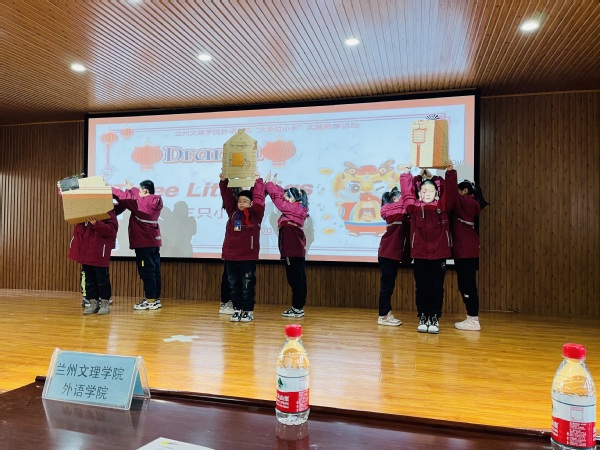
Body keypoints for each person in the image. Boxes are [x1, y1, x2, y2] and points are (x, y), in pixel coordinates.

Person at [400, 161, 457, 333]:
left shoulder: (442, 206)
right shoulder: (414, 207)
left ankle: (434, 318)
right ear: (419, 192)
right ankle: (423, 316)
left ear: (437, 193)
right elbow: (407, 194)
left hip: (439, 255)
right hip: (419, 254)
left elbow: (450, 192)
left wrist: (450, 172)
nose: (427, 193)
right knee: (422, 288)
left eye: (431, 191)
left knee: (437, 288)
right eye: (423, 190)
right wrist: (407, 174)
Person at [220, 172, 265, 323]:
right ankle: (237, 309)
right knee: (234, 286)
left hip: (247, 258)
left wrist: (258, 182)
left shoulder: (255, 215)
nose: (241, 204)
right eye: (239, 201)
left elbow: (259, 201)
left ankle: (248, 311)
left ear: (251, 203)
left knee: (247, 285)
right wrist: (224, 181)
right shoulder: (233, 212)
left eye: (245, 201)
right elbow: (227, 197)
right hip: (231, 257)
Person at [112, 179, 163, 310]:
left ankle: (150, 300)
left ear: (145, 191)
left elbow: (126, 198)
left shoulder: (142, 205)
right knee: (154, 270)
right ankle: (155, 299)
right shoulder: (153, 202)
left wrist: (108, 189)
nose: (137, 193)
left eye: (139, 191)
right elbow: (136, 198)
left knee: (147, 272)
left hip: (144, 243)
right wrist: (132, 189)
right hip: (153, 242)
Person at [264, 172, 310, 318]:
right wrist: (275, 186)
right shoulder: (297, 208)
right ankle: (298, 308)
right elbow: (281, 196)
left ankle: (297, 308)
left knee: (295, 280)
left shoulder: (293, 208)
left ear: (293, 199)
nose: (284, 198)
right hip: (295, 251)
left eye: (287, 196)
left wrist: (269, 185)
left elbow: (278, 200)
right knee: (298, 279)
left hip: (291, 251)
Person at [452, 180, 489, 331]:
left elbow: (451, 194)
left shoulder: (468, 202)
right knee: (466, 284)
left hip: (465, 250)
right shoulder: (471, 202)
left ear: (465, 191)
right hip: (466, 250)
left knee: (467, 285)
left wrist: (443, 175)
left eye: (459, 190)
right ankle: (472, 318)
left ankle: (473, 319)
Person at [68, 212, 118, 315]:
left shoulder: (108, 212)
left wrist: (97, 223)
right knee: (89, 280)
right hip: (86, 251)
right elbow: (79, 231)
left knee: (102, 279)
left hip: (100, 251)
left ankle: (104, 303)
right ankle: (93, 303)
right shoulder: (85, 212)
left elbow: (111, 230)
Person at [376, 186, 410, 326]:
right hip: (387, 253)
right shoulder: (391, 210)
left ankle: (387, 313)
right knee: (387, 287)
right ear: (395, 199)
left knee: (388, 286)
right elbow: (404, 205)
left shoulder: (399, 212)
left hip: (392, 253)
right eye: (402, 197)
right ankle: (383, 316)